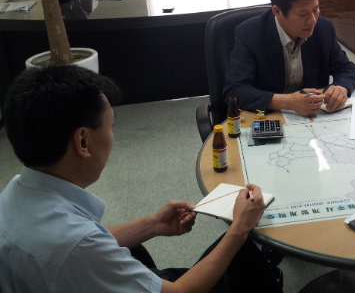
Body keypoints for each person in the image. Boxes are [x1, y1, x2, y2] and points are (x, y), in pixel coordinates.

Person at [0, 64, 282, 293]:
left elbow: (93, 241)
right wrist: (240, 228)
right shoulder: (75, 246)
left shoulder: (13, 196)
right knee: (244, 255)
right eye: (111, 127)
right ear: (83, 142)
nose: (112, 137)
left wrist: (153, 224)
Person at [223, 0, 355, 117]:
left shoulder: (323, 29)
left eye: (315, 10)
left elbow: (346, 69)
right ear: (277, 12)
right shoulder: (250, 34)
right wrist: (287, 102)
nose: (312, 20)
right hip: (266, 117)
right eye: (303, 14)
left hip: (313, 119)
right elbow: (234, 91)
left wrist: (341, 87)